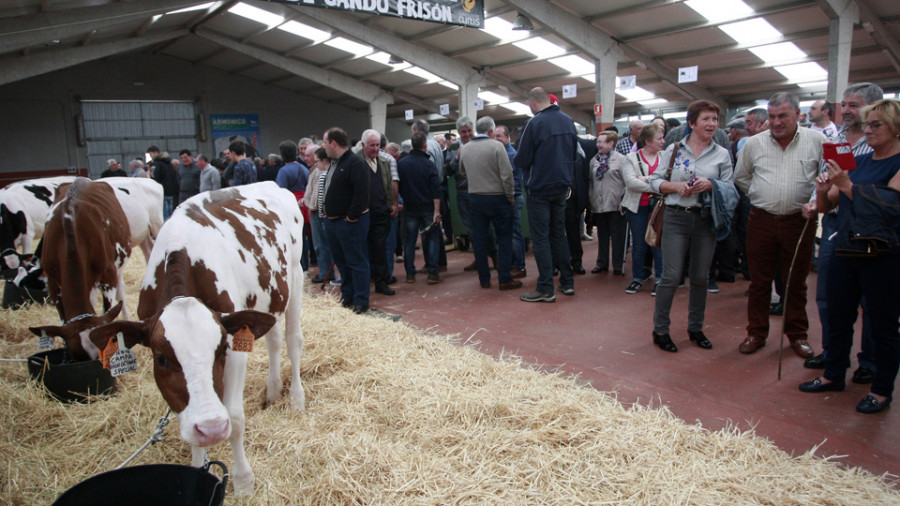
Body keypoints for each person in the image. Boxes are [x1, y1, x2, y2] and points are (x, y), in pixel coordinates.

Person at [799, 98, 900, 414]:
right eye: (868, 124)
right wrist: (821, 191)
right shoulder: (863, 160)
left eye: (876, 125)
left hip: (883, 256)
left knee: (883, 324)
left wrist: (846, 184)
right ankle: (833, 374)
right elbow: (830, 204)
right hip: (846, 248)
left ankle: (882, 389)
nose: (868, 130)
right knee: (838, 316)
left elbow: (890, 206)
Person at [734, 92, 826, 358]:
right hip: (761, 220)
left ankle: (797, 335)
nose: (776, 122)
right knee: (759, 282)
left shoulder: (817, 141)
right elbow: (742, 177)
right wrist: (762, 195)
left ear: (799, 115)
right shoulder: (754, 144)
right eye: (772, 116)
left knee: (795, 282)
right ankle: (756, 333)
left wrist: (813, 202)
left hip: (801, 221)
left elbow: (826, 176)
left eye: (783, 115)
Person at [805, 83, 883, 380]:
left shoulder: (881, 145)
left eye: (854, 104)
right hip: (836, 223)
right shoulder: (835, 139)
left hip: (871, 226)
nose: (847, 110)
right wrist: (815, 202)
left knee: (871, 300)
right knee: (828, 293)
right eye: (844, 104)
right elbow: (828, 181)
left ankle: (871, 362)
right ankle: (833, 351)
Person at [648, 100, 735, 352]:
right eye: (706, 119)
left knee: (700, 277)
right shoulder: (674, 150)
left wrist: (711, 185)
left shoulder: (721, 153)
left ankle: (695, 327)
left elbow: (730, 188)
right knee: (671, 276)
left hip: (705, 220)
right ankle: (660, 329)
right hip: (676, 217)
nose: (711, 124)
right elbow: (654, 181)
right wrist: (675, 187)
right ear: (692, 123)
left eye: (715, 119)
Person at [514, 87, 577, 302]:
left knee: (540, 238)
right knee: (559, 234)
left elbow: (521, 159)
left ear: (532, 104)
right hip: (561, 186)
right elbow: (574, 152)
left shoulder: (534, 123)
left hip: (539, 188)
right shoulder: (568, 120)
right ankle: (567, 282)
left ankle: (546, 288)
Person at [459, 116, 520, 291]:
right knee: (504, 238)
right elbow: (507, 175)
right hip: (498, 197)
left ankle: (484, 279)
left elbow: (462, 171)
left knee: (479, 239)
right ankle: (504, 279)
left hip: (475, 198)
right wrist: (510, 196)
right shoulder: (497, 146)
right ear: (491, 131)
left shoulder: (466, 148)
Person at [322, 127, 370, 313]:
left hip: (349, 222)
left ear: (333, 143)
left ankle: (361, 299)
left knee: (356, 261)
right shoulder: (335, 162)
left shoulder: (355, 163)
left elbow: (361, 193)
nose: (323, 147)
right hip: (334, 221)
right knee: (342, 262)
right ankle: (347, 295)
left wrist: (351, 218)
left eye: (325, 143)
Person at [621, 124, 665, 294]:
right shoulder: (631, 158)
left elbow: (670, 177)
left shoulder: (665, 157)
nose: (663, 141)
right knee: (639, 243)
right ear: (647, 141)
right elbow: (631, 183)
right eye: (659, 138)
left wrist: (646, 179)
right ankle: (637, 278)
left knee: (658, 243)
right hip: (637, 207)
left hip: (659, 208)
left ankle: (660, 279)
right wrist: (657, 186)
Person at [397, 132, 442, 285]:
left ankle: (410, 274)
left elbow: (397, 185)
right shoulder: (430, 165)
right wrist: (437, 211)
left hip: (409, 208)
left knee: (409, 241)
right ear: (425, 146)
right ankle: (433, 273)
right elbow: (436, 189)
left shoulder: (402, 163)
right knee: (431, 239)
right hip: (428, 207)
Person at [359, 129, 396, 296]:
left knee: (380, 250)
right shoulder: (356, 163)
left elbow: (389, 185)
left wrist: (390, 205)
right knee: (363, 251)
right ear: (363, 145)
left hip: (381, 213)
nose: (375, 149)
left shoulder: (383, 161)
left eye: (378, 145)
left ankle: (381, 282)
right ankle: (363, 285)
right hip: (362, 215)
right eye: (372, 145)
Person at [589, 131, 627, 276]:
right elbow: (591, 182)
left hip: (616, 204)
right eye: (597, 142)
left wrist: (623, 201)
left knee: (618, 236)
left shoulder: (621, 160)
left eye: (601, 142)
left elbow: (627, 182)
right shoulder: (594, 160)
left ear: (611, 144)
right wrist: (591, 200)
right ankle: (601, 263)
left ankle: (617, 265)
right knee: (602, 235)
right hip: (599, 204)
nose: (598, 145)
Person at [494, 124, 527, 279]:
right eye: (494, 136)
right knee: (508, 233)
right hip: (506, 198)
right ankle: (512, 264)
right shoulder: (501, 153)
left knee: (514, 233)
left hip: (512, 198)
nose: (496, 139)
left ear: (507, 137)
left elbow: (510, 180)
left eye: (499, 136)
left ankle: (519, 266)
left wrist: (510, 197)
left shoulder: (510, 155)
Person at [303, 148, 336, 284]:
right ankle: (326, 271)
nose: (305, 158)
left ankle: (325, 273)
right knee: (320, 244)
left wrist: (313, 207)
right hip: (316, 210)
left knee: (321, 244)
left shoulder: (322, 173)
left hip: (318, 212)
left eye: (308, 155)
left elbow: (318, 193)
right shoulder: (316, 170)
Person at [151, 150, 179, 219]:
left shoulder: (157, 164)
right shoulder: (170, 165)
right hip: (171, 192)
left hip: (162, 191)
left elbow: (155, 176)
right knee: (171, 212)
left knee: (164, 213)